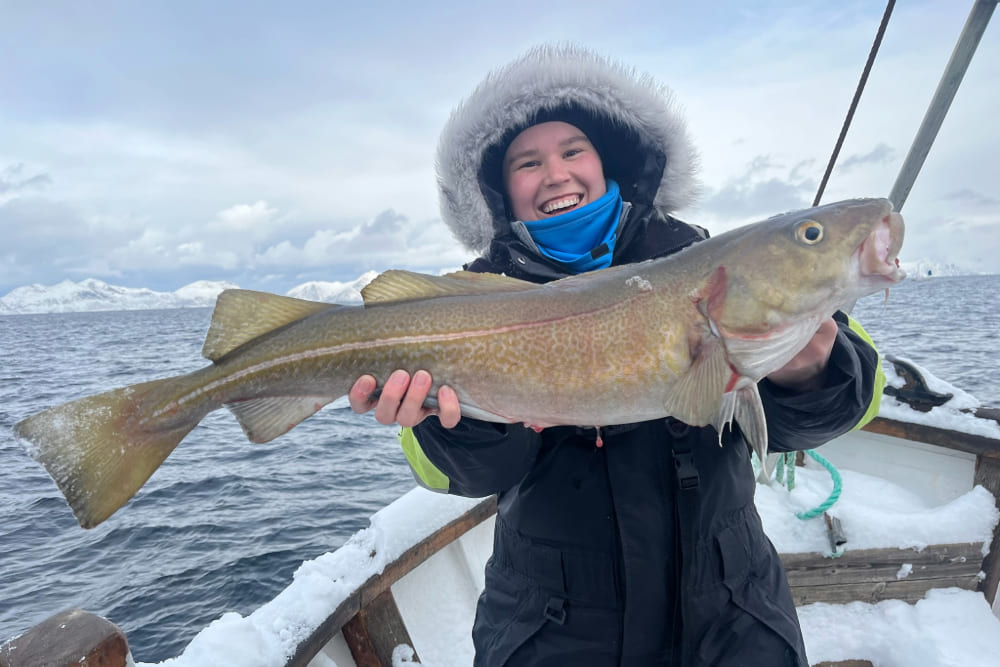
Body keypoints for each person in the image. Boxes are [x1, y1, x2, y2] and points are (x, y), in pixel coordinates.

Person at [349, 45, 884, 667]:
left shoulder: (717, 267)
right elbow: (464, 478)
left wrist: (810, 372)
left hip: (732, 608)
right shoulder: (462, 305)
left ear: (612, 164)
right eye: (528, 162)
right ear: (499, 192)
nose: (556, 173)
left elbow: (839, 413)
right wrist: (455, 422)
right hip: (550, 623)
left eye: (573, 151)